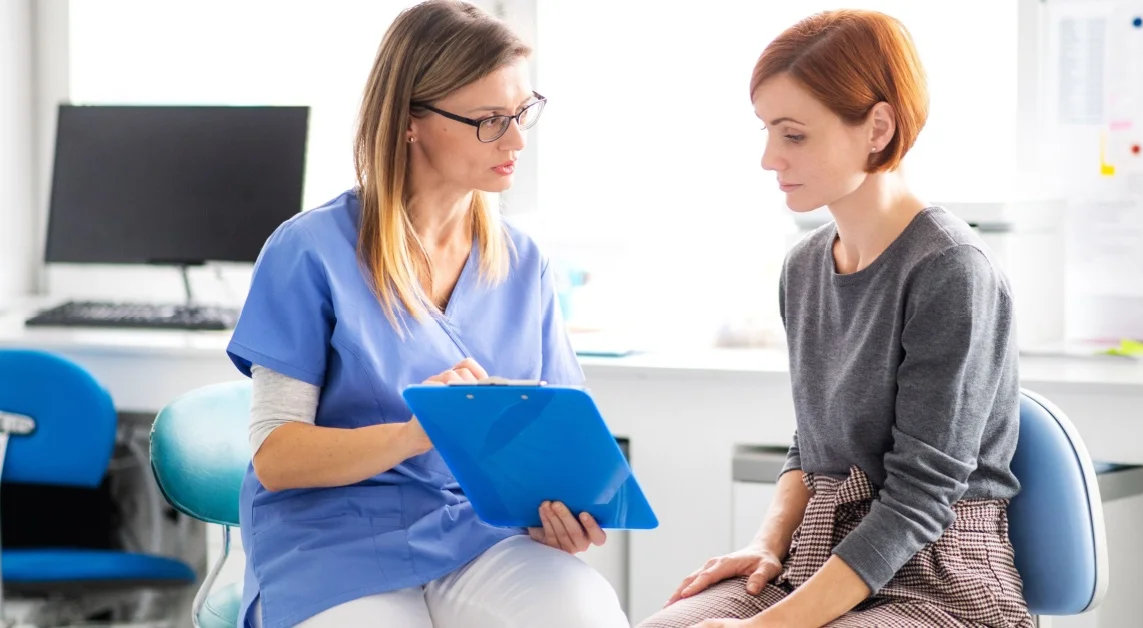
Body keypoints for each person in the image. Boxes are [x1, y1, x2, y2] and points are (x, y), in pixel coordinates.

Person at [225, 2, 628, 626]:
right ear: (412, 120)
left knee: (586, 611)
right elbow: (277, 457)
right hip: (332, 542)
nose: (517, 140)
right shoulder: (310, 252)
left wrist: (561, 512)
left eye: (522, 113)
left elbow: (557, 432)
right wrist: (420, 432)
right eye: (490, 121)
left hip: (476, 532)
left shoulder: (523, 263)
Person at [639, 10, 1034, 628]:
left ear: (877, 126)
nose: (769, 157)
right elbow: (814, 443)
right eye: (766, 130)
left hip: (940, 579)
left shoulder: (951, 270)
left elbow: (918, 500)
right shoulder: (803, 266)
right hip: (815, 559)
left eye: (793, 135)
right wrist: (766, 543)